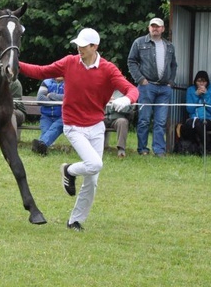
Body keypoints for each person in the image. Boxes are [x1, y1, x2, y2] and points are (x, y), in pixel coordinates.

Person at [19, 28, 138, 231]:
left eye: (83, 46)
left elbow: (132, 89)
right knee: (95, 164)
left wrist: (127, 99)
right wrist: (16, 63)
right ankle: (69, 170)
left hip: (96, 126)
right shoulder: (69, 62)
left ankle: (75, 220)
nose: (79, 49)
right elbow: (41, 71)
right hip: (74, 126)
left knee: (92, 180)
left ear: (95, 47)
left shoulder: (108, 69)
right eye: (78, 45)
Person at [128, 17, 177, 156]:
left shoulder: (169, 46)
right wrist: (140, 79)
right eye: (152, 26)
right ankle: (142, 149)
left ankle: (159, 150)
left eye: (158, 26)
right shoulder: (139, 43)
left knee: (161, 121)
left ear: (163, 29)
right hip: (146, 86)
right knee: (144, 119)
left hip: (164, 88)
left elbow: (174, 65)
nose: (155, 28)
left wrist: (171, 82)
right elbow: (131, 61)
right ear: (149, 28)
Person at [180, 70, 211, 152]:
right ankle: (196, 147)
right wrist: (196, 95)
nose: (201, 84)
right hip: (193, 118)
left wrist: (206, 95)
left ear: (207, 82)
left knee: (200, 124)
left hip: (209, 119)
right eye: (199, 81)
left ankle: (205, 148)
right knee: (189, 125)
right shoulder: (190, 90)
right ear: (195, 82)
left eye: (204, 81)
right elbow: (189, 110)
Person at [31, 77, 64, 155]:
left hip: (62, 117)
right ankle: (42, 147)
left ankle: (39, 146)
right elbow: (40, 99)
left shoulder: (70, 82)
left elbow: (69, 98)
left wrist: (51, 95)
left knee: (55, 129)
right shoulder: (46, 82)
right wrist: (58, 102)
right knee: (46, 132)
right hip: (46, 116)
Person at [104, 90, 135, 158]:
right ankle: (93, 148)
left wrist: (116, 104)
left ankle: (121, 150)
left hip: (117, 119)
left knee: (123, 121)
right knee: (94, 121)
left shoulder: (126, 93)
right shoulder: (101, 88)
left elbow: (130, 110)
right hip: (102, 118)